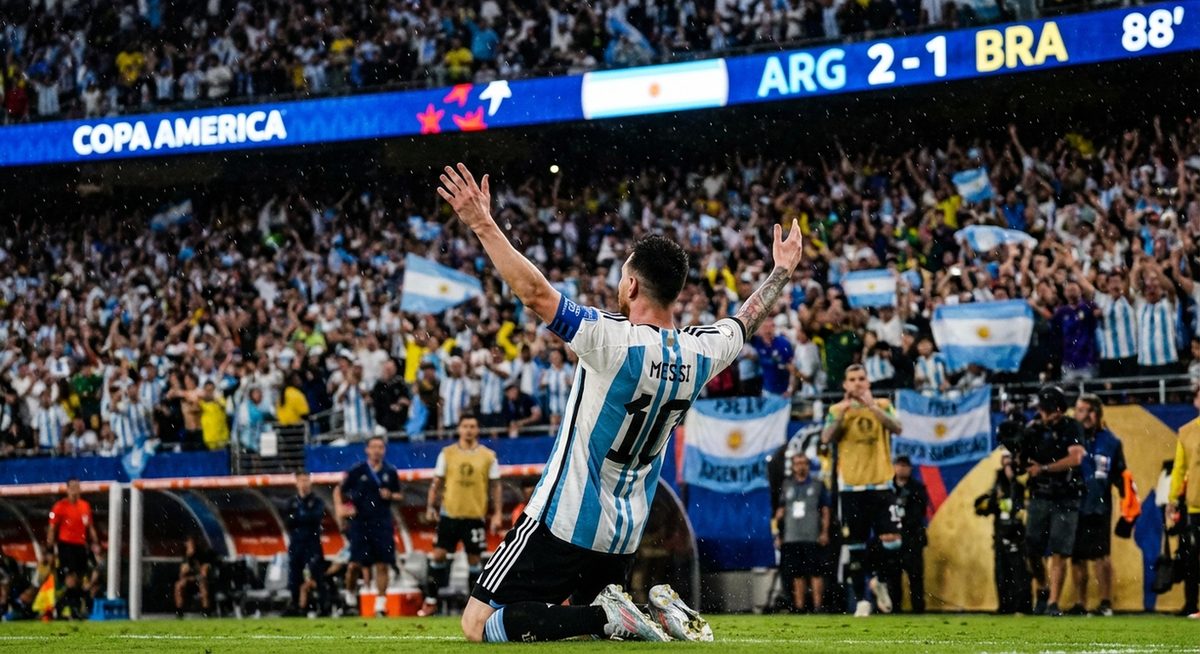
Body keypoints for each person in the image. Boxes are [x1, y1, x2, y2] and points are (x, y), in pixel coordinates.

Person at [437, 163, 802, 642]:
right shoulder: (701, 351)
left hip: (563, 518)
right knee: (578, 635)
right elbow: (743, 321)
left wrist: (482, 223)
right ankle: (628, 615)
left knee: (478, 625)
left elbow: (533, 292)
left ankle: (614, 616)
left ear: (631, 286)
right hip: (624, 531)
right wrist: (780, 272)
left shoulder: (608, 339)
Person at [821, 364, 904, 617]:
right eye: (852, 379)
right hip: (851, 487)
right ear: (845, 385)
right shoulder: (837, 409)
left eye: (862, 378)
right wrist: (843, 414)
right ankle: (861, 601)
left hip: (881, 484)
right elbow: (826, 437)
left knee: (893, 541)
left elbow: (897, 427)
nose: (857, 383)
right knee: (855, 546)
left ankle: (878, 579)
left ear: (868, 382)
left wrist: (872, 407)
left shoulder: (882, 404)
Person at [419, 414, 503, 616]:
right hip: (449, 514)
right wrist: (431, 506)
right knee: (438, 555)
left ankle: (472, 607)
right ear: (459, 429)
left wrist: (498, 513)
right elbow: (436, 483)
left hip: (474, 516)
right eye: (465, 426)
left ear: (477, 429)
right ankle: (430, 601)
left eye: (472, 426)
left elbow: (496, 486)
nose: (469, 430)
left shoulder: (488, 455)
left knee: (474, 561)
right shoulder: (447, 453)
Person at [1022, 386, 1086, 617]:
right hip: (1040, 495)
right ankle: (1042, 586)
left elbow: (1076, 458)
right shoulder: (1033, 430)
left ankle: (1052, 602)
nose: (1044, 414)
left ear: (1058, 410)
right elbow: (1023, 459)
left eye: (1047, 410)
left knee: (1059, 550)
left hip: (1065, 494)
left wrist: (1045, 468)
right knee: (1031, 548)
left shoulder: (1071, 426)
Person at [1067, 394, 1129, 616]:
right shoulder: (1069, 440)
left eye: (1090, 410)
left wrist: (1128, 506)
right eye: (1081, 410)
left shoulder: (1111, 442)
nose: (1085, 415)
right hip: (1074, 504)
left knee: (1101, 556)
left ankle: (1105, 602)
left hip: (1099, 505)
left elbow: (1121, 475)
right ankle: (1080, 603)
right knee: (1077, 557)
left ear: (1099, 413)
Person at [333, 435, 402, 617]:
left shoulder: (390, 471)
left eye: (380, 447)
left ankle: (380, 606)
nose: (377, 450)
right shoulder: (357, 471)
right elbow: (339, 490)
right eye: (374, 447)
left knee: (382, 565)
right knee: (354, 565)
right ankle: (349, 601)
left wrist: (391, 495)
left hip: (382, 523)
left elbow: (399, 495)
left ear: (384, 450)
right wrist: (341, 510)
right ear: (367, 449)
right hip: (360, 524)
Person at [974, 451, 1031, 614]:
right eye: (1006, 465)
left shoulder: (1022, 486)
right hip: (1001, 535)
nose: (1009, 469)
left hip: (1019, 537)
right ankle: (1005, 606)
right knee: (1002, 572)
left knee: (1020, 572)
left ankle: (1023, 606)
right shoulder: (997, 487)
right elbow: (980, 508)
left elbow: (1028, 508)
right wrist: (993, 499)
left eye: (1011, 465)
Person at [774, 453, 831, 613]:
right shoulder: (787, 485)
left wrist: (824, 532)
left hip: (811, 535)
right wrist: (778, 533)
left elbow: (825, 510)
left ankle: (818, 607)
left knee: (815, 572)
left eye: (804, 463)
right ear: (792, 466)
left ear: (808, 465)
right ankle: (800, 607)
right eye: (797, 463)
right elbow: (780, 510)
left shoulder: (817, 485)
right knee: (796, 573)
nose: (801, 466)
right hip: (792, 536)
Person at [1168, 386, 1200, 618]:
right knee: (1192, 557)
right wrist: (1172, 499)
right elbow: (1180, 468)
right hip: (1196, 503)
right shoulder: (1186, 431)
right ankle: (1191, 605)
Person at [47, 478, 99, 619]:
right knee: (71, 579)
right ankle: (72, 609)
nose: (76, 490)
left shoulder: (85, 506)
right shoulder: (59, 506)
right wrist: (50, 549)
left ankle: (63, 606)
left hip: (80, 546)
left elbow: (90, 527)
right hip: (66, 546)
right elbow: (52, 528)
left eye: (78, 487)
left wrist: (95, 543)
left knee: (81, 580)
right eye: (73, 487)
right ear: (67, 489)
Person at [888, 455, 929, 613]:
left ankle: (918, 609)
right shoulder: (888, 487)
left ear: (910, 468)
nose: (902, 468)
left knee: (915, 576)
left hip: (912, 538)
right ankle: (895, 608)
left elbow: (920, 512)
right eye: (899, 465)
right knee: (893, 576)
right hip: (893, 538)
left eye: (905, 465)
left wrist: (903, 527)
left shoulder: (918, 488)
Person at [286, 471, 327, 616]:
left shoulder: (317, 501)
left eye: (306, 480)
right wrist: (303, 517)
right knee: (294, 575)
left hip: (312, 543)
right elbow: (289, 521)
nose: (304, 483)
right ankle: (296, 605)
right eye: (301, 480)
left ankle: (323, 606)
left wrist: (299, 516)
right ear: (296, 483)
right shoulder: (291, 502)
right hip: (296, 543)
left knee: (316, 573)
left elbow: (315, 517)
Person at [175, 535, 217, 618]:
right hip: (189, 581)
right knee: (178, 585)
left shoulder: (202, 555)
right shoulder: (186, 556)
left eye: (192, 543)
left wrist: (194, 575)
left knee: (203, 585)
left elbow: (203, 573)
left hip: (200, 580)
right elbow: (182, 573)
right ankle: (179, 612)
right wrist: (188, 557)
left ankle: (206, 612)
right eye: (188, 543)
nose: (190, 545)